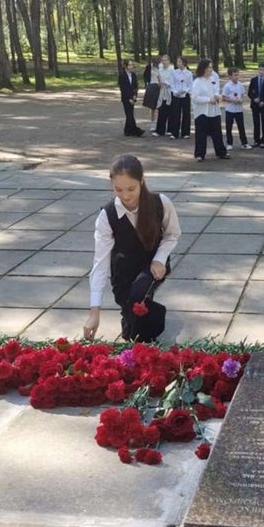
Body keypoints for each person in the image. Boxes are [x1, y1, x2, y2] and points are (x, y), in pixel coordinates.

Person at [85, 154, 181, 342]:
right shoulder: (107, 216)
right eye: (118, 189)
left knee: (138, 301)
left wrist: (160, 259)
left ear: (141, 181)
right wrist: (94, 311)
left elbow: (172, 234)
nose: (126, 196)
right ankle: (143, 314)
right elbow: (100, 262)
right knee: (129, 321)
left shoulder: (160, 203)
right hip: (123, 267)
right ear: (111, 185)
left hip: (152, 263)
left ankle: (151, 317)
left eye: (131, 189)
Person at [190, 58, 229, 162]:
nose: (211, 70)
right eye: (209, 68)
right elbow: (195, 97)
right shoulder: (197, 82)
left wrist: (216, 96)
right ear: (203, 69)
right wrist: (208, 100)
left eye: (211, 67)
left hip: (214, 110)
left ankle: (221, 152)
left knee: (217, 132)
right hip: (202, 111)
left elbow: (216, 89)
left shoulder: (213, 78)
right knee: (201, 133)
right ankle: (199, 154)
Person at [222, 67, 251, 150]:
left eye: (237, 75)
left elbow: (242, 95)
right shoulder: (227, 86)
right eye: (235, 75)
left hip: (239, 109)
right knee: (229, 127)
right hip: (230, 110)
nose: (237, 77)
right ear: (230, 76)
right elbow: (223, 98)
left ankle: (244, 143)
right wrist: (232, 100)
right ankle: (229, 143)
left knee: (241, 126)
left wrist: (241, 100)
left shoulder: (240, 85)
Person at [118, 60, 144, 137]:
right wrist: (129, 98)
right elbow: (123, 89)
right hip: (126, 98)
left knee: (130, 114)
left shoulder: (133, 75)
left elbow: (135, 86)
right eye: (129, 65)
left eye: (132, 65)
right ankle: (136, 131)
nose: (131, 66)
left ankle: (127, 130)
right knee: (129, 115)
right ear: (126, 66)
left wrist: (135, 96)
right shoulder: (122, 76)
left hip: (133, 97)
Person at [247, 62, 264, 147]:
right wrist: (254, 99)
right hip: (255, 105)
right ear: (258, 70)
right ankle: (256, 140)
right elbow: (250, 92)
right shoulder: (253, 80)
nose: (262, 71)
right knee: (256, 122)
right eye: (260, 70)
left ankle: (263, 140)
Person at [169, 57, 193, 139]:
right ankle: (174, 132)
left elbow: (190, 85)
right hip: (176, 95)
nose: (178, 63)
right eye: (177, 61)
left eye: (179, 61)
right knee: (175, 114)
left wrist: (185, 91)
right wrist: (175, 91)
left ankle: (185, 132)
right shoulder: (174, 72)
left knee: (186, 113)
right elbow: (172, 84)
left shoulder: (189, 73)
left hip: (185, 95)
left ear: (184, 63)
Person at [153, 55, 174, 137]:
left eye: (166, 60)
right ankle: (160, 130)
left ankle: (170, 129)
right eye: (163, 60)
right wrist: (159, 83)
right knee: (161, 110)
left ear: (169, 61)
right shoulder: (160, 70)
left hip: (170, 92)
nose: (164, 62)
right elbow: (158, 79)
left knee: (170, 111)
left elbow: (173, 81)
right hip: (162, 92)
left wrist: (166, 83)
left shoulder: (172, 70)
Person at [141, 59, 160, 130]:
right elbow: (145, 76)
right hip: (152, 86)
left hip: (159, 87)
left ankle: (160, 123)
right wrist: (146, 84)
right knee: (153, 107)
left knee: (160, 106)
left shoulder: (161, 67)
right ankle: (153, 123)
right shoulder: (149, 67)